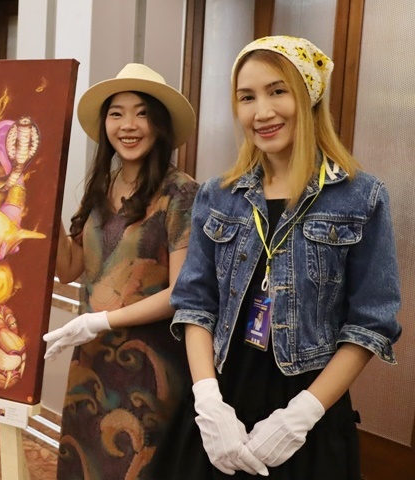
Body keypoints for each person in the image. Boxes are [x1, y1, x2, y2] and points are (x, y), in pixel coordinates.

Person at [149, 36, 402, 479]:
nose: (261, 112)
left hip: (308, 410)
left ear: (309, 96)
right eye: (247, 97)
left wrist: (303, 414)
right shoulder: (218, 195)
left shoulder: (361, 196)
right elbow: (194, 304)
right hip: (222, 400)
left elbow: (371, 323)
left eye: (277, 91)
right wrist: (207, 401)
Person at [42, 63, 199, 478]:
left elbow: (181, 293)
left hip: (148, 370)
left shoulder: (181, 192)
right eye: (117, 114)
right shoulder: (101, 186)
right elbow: (70, 268)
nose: (128, 125)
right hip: (90, 363)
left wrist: (101, 320)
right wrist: (44, 197)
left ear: (160, 125)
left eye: (142, 113)